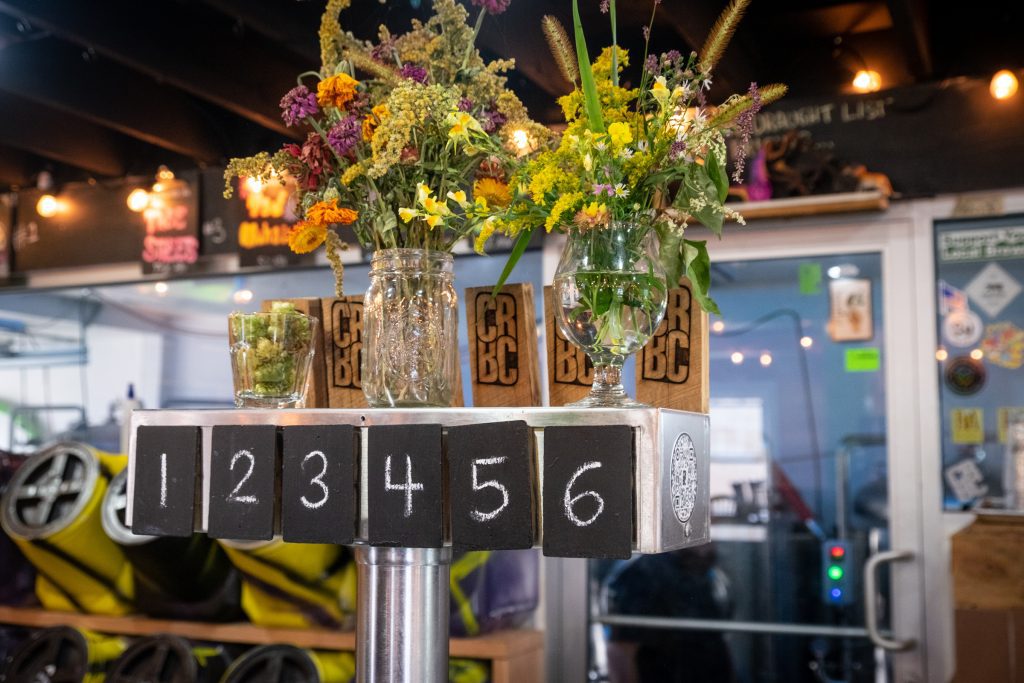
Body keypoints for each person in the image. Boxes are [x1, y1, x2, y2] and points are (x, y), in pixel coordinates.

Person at [604, 544, 736, 683]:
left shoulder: (709, 573)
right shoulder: (644, 572)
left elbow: (719, 641)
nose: (708, 545)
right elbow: (621, 653)